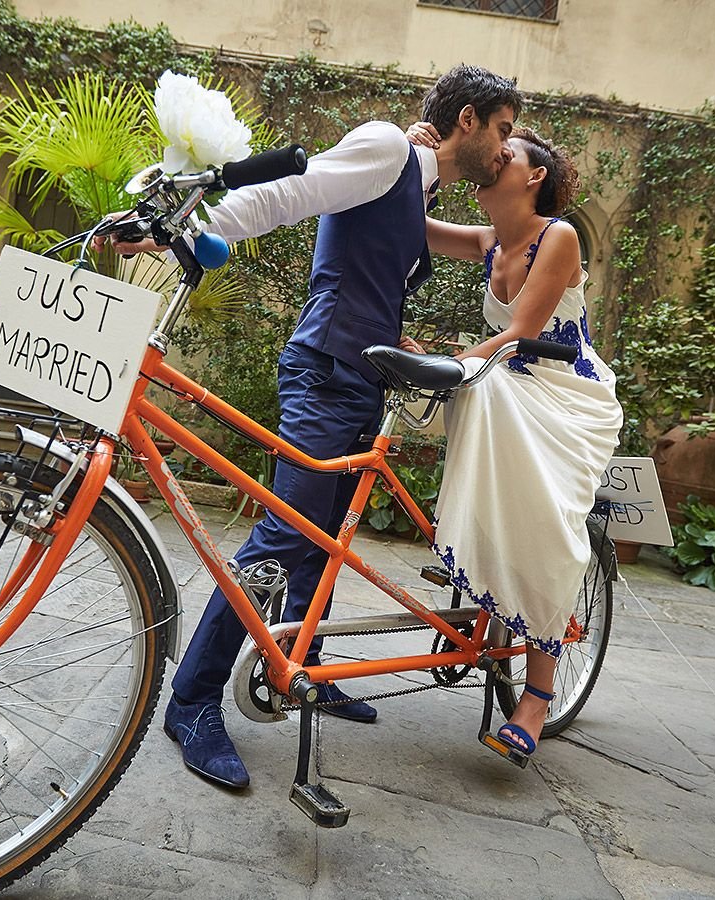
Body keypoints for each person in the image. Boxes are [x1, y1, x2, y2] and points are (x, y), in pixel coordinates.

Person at [109, 65, 522, 789]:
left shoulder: (416, 179)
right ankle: (193, 701)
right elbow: (291, 191)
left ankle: (308, 667)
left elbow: (427, 248)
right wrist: (190, 229)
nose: (505, 145)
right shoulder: (388, 147)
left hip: (362, 375)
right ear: (468, 121)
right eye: (503, 130)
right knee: (284, 534)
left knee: (326, 536)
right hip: (326, 371)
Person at [404, 121, 622, 760]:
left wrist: (451, 363)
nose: (493, 158)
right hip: (506, 387)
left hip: (564, 395)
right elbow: (409, 224)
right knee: (472, 389)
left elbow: (522, 332)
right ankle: (479, 562)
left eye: (507, 154)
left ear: (535, 176)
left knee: (545, 525)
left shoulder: (559, 236)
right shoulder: (488, 240)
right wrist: (419, 160)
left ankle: (538, 694)